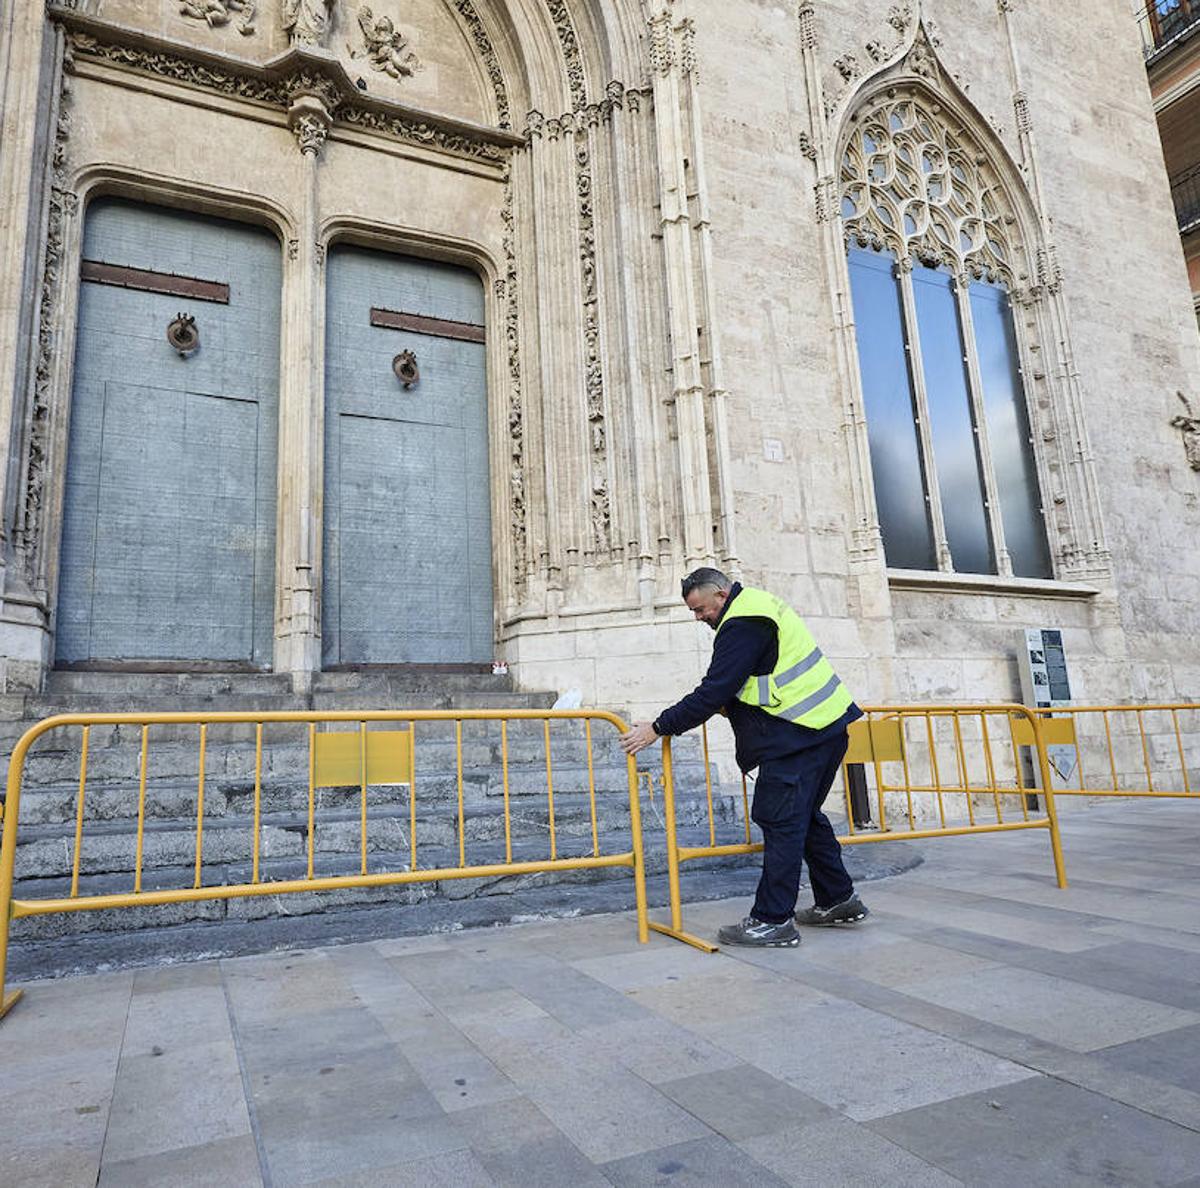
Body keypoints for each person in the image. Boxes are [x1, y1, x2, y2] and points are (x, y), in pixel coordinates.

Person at [620, 567, 869, 947]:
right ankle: (838, 899)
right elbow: (757, 679)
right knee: (804, 818)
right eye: (694, 612)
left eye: (701, 609)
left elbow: (714, 690)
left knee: (781, 820)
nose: (699, 617)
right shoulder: (757, 605)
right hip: (825, 728)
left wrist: (657, 727)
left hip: (798, 736)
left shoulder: (742, 622)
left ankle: (772, 920)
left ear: (721, 594)